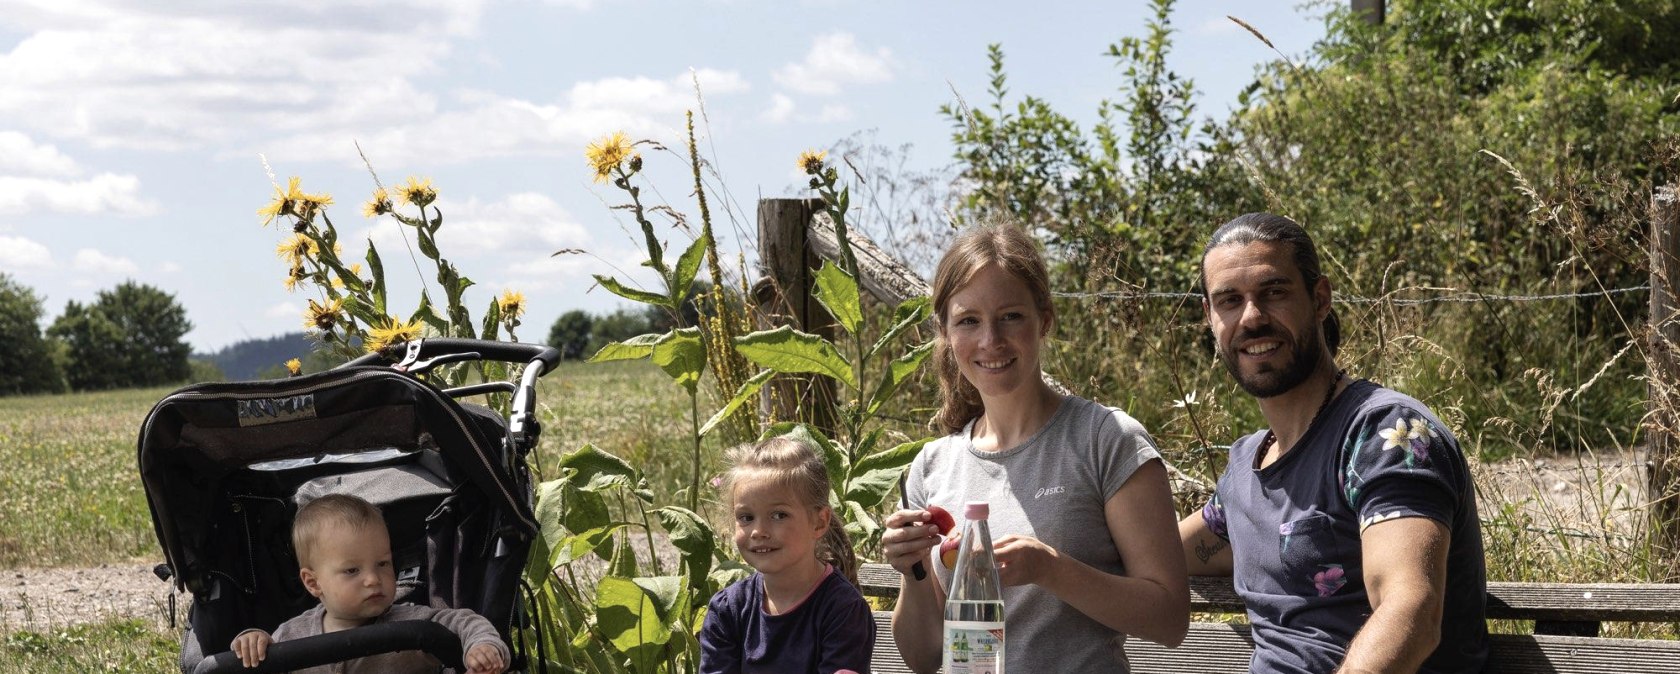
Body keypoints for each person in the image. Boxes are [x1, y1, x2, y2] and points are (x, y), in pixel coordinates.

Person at [1178, 212, 1489, 673]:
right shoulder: (1246, 468)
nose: (1252, 317)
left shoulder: (1387, 436)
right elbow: (1164, 553)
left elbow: (1412, 611)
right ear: (1209, 317)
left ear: (1320, 299)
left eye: (1274, 292)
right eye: (1229, 300)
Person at [879, 219, 1190, 673]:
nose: (991, 341)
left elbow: (1169, 619)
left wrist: (1050, 568)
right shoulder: (932, 466)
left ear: (1044, 319)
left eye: (1011, 316)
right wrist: (913, 570)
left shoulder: (1107, 439)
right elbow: (925, 658)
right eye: (969, 321)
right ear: (945, 333)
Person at [230, 493, 509, 674]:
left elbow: (465, 621)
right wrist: (256, 641)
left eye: (383, 564)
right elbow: (260, 661)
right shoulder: (290, 637)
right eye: (352, 570)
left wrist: (481, 647)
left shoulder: (412, 623)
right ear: (313, 583)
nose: (373, 579)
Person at [699, 435, 876, 674]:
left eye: (778, 515)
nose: (758, 531)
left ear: (819, 522)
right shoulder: (727, 610)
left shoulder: (842, 611)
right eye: (746, 517)